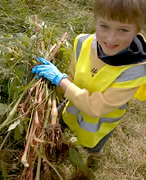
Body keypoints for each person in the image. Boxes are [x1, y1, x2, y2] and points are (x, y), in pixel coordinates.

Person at [32, 0, 146, 170]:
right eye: (104, 26)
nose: (111, 38)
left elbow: (96, 107)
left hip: (98, 125)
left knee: (93, 146)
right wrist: (53, 82)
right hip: (72, 108)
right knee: (64, 123)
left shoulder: (136, 70)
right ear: (95, 20)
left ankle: (95, 159)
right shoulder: (81, 42)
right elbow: (71, 77)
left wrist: (59, 80)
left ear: (137, 30)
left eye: (123, 30)